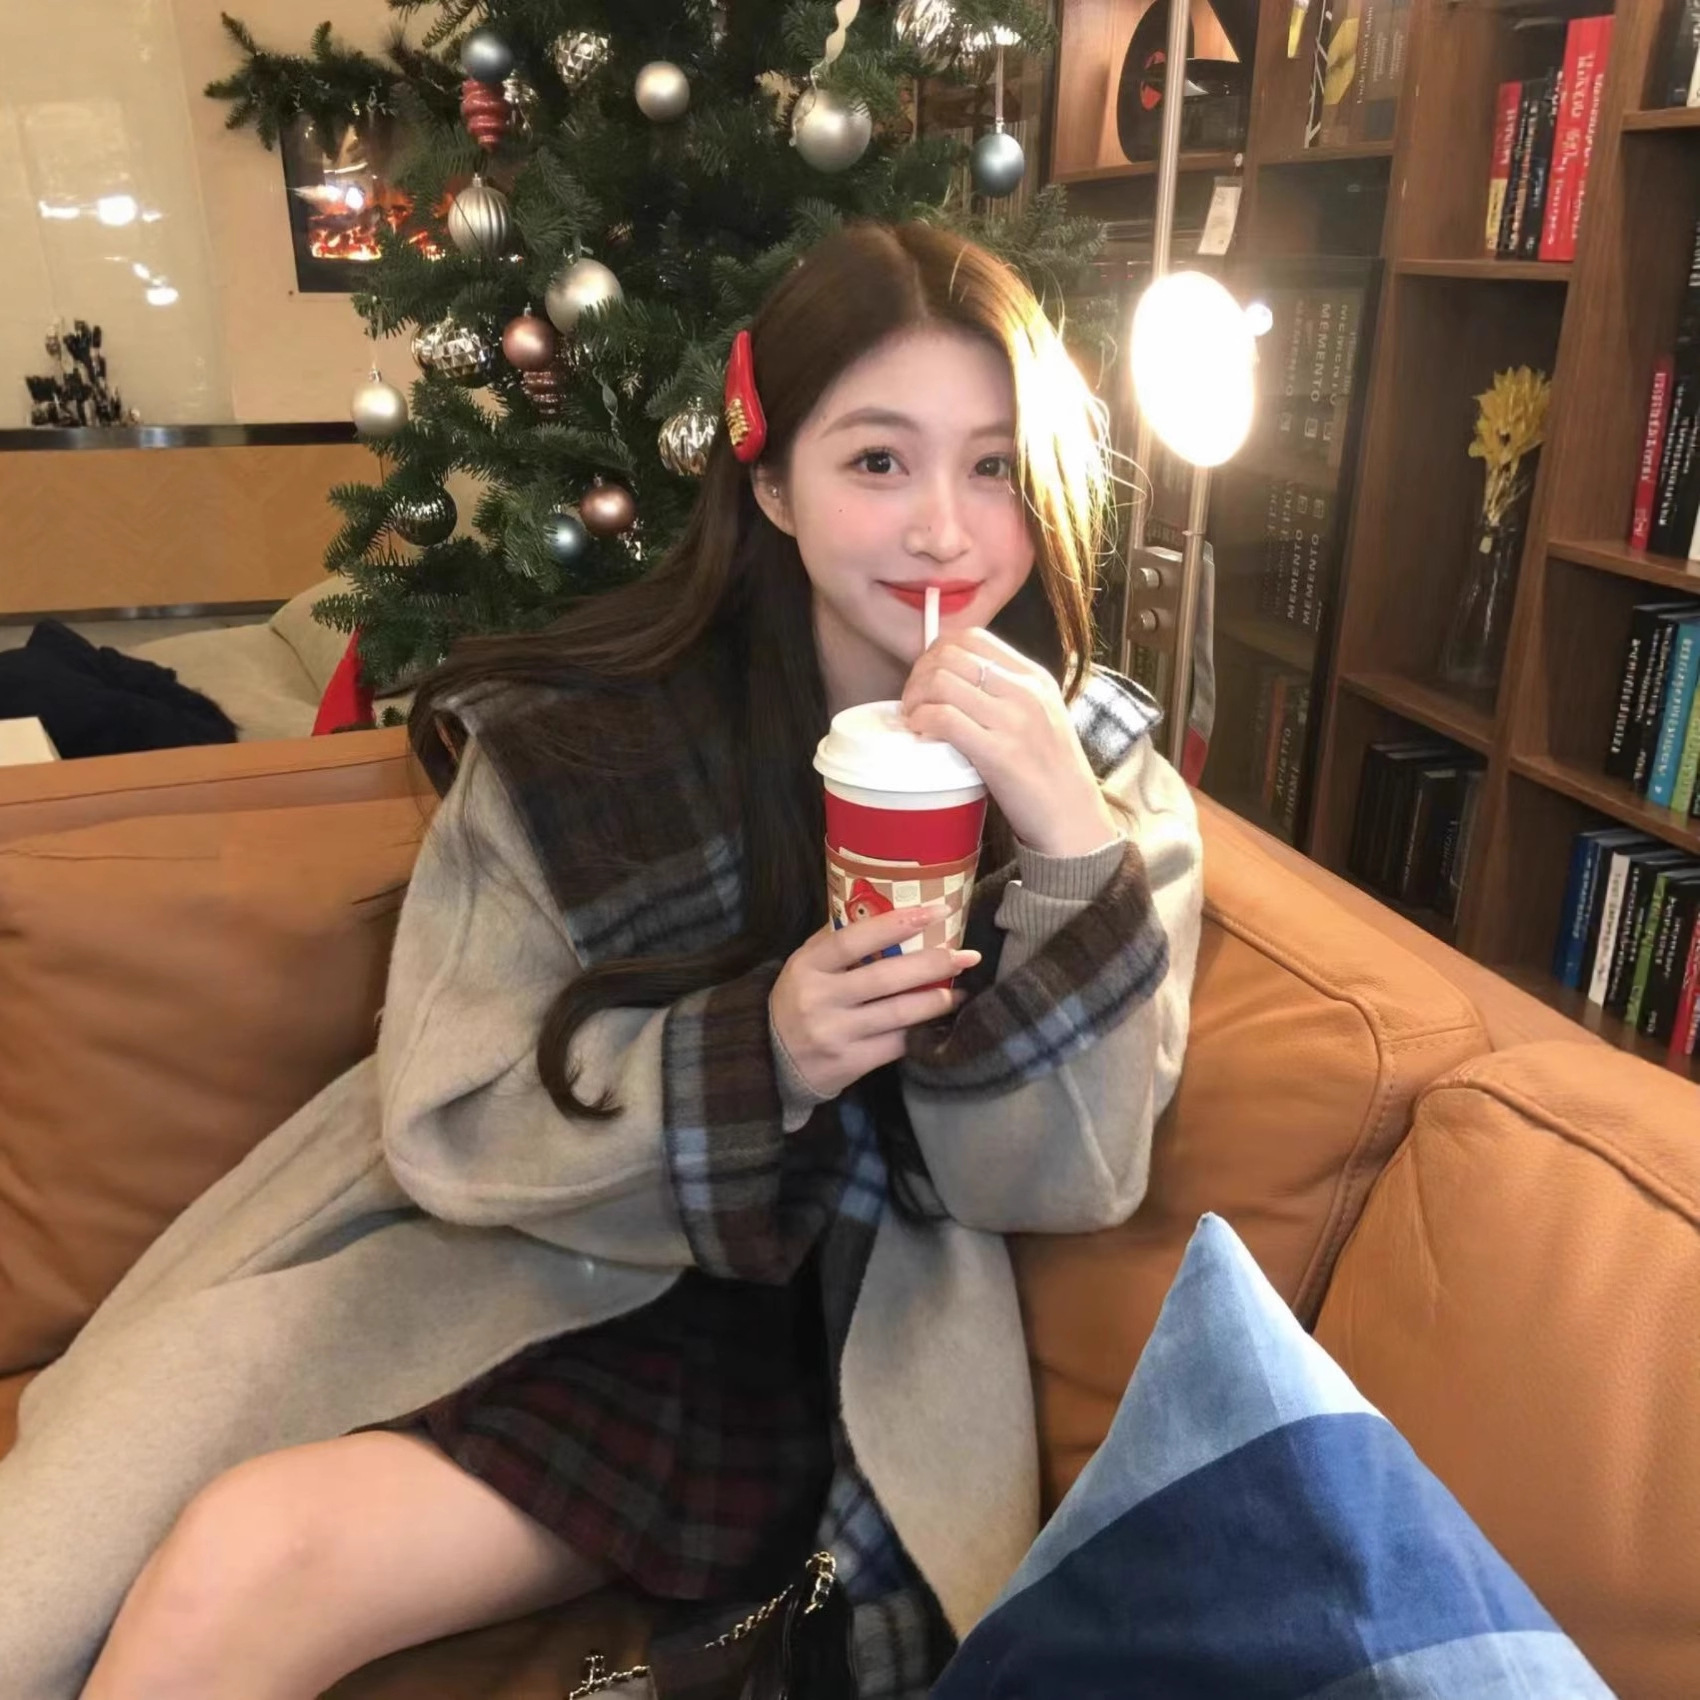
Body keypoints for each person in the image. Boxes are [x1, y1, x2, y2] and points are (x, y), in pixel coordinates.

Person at [1, 220, 1200, 1700]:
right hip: (528, 1257)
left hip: (807, 1342)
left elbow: (1068, 1183)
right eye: (879, 461)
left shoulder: (1104, 786)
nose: (944, 531)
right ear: (772, 484)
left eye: (996, 465)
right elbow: (455, 1118)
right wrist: (760, 1054)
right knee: (200, 1561)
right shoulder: (585, 744)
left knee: (250, 1558)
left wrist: (1068, 847)